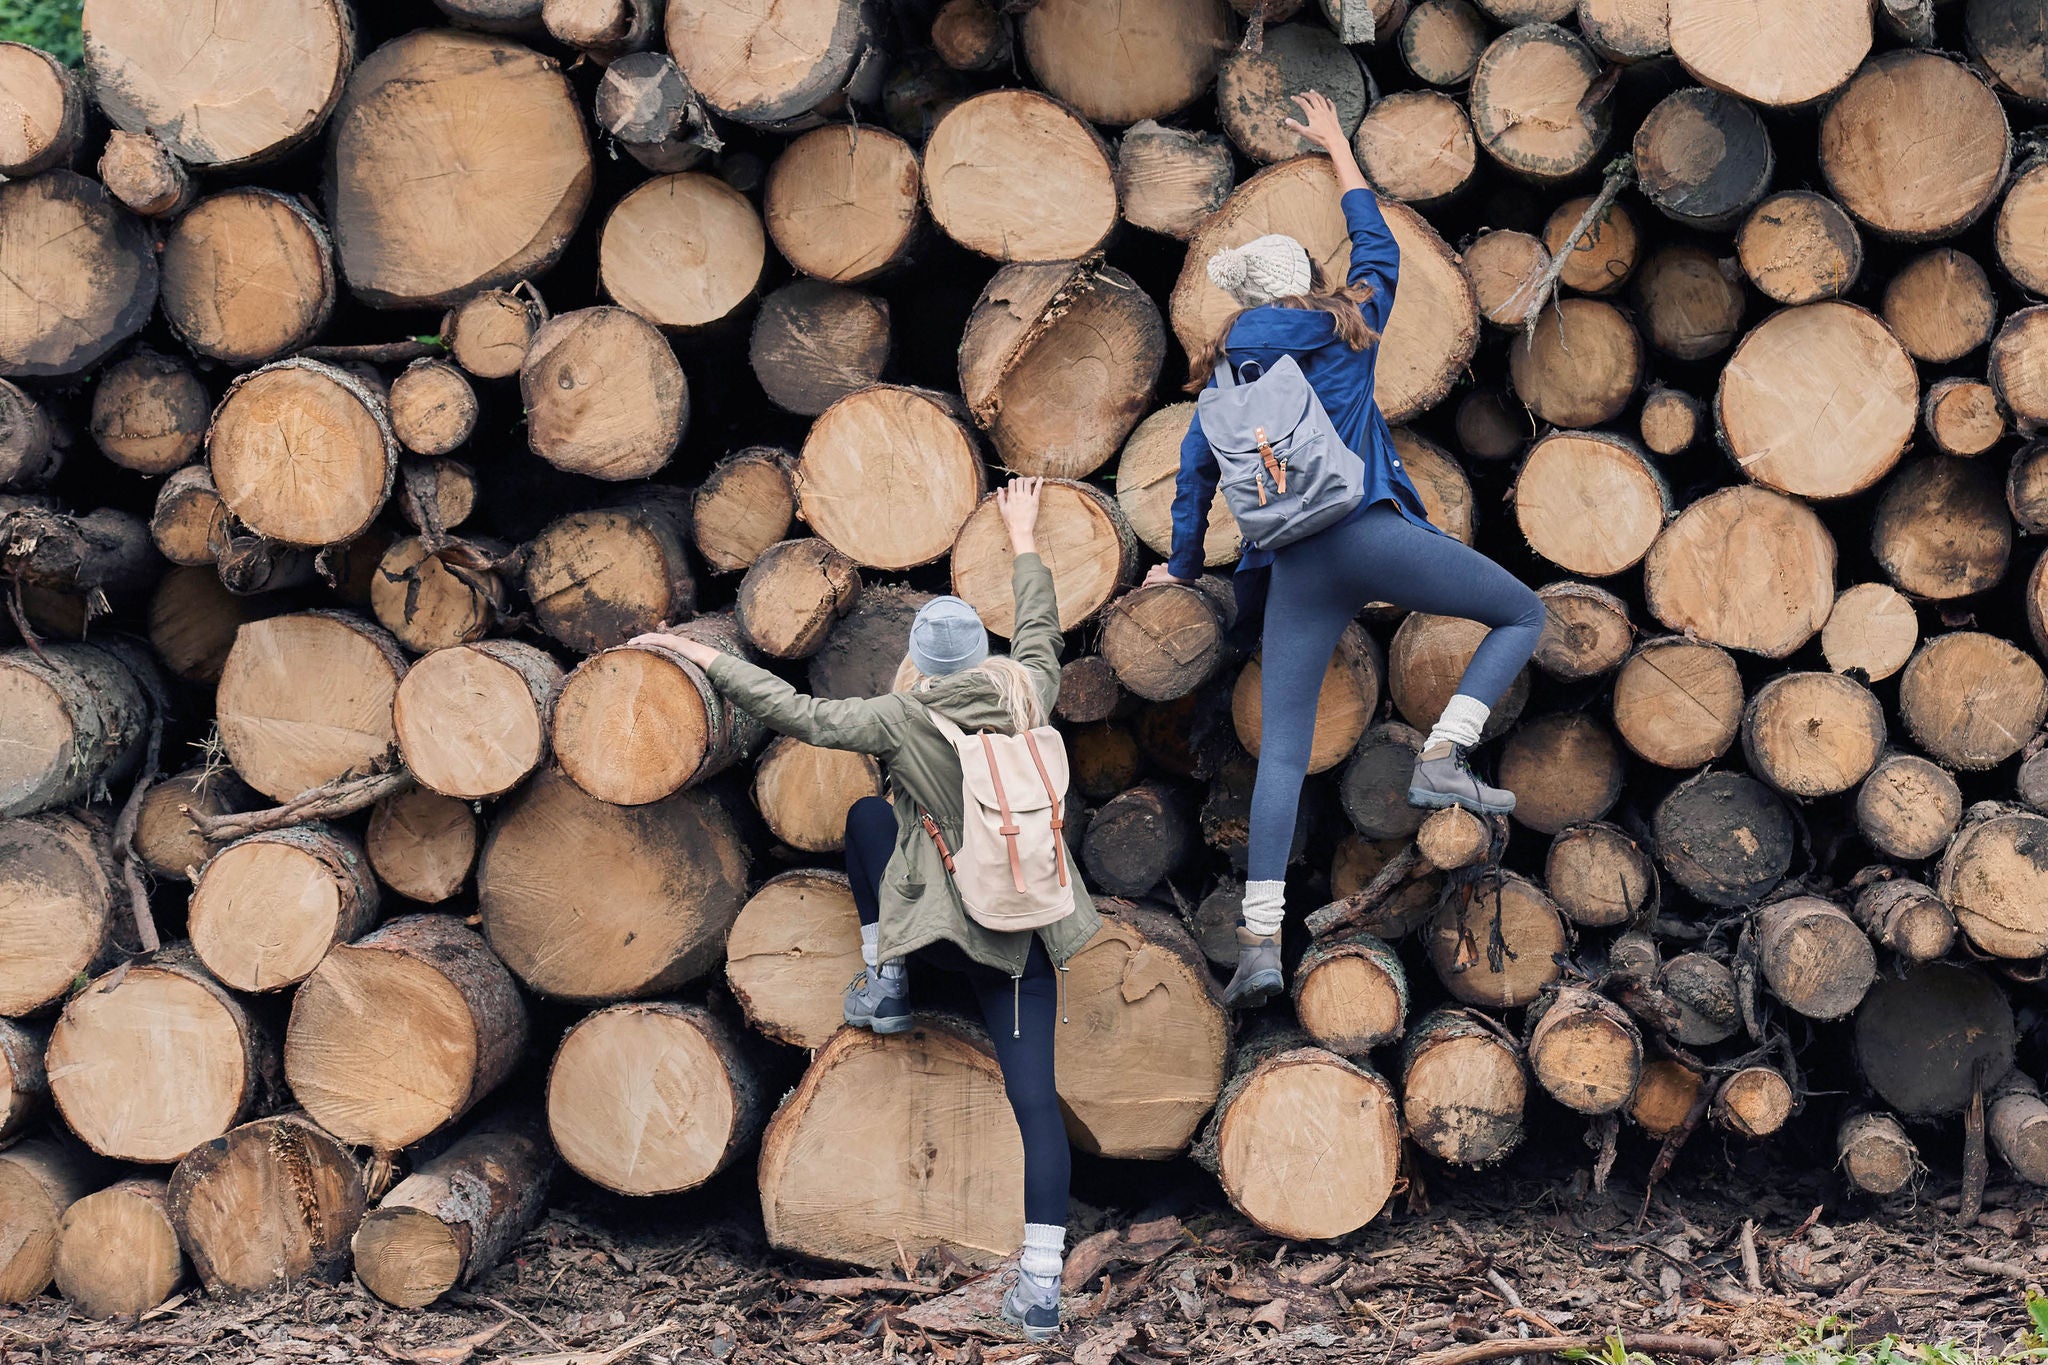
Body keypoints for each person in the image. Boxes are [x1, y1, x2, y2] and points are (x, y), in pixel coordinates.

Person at [631, 477, 1095, 1344]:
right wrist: (1024, 535)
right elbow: (1041, 628)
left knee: (870, 817)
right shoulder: (1031, 690)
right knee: (1038, 1105)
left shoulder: (902, 716)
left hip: (944, 941)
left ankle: (886, 975)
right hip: (1027, 938)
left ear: (920, 658)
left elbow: (798, 712)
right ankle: (1040, 1286)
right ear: (983, 656)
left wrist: (707, 658)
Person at [1145, 90, 1545, 1010]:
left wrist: (1182, 567)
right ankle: (1446, 752)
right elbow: (1381, 250)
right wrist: (1336, 150)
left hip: (1295, 569)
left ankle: (1256, 945)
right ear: (1301, 283)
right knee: (1521, 611)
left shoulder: (1219, 386)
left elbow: (1193, 487)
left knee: (1281, 755)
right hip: (1368, 534)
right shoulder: (1341, 330)